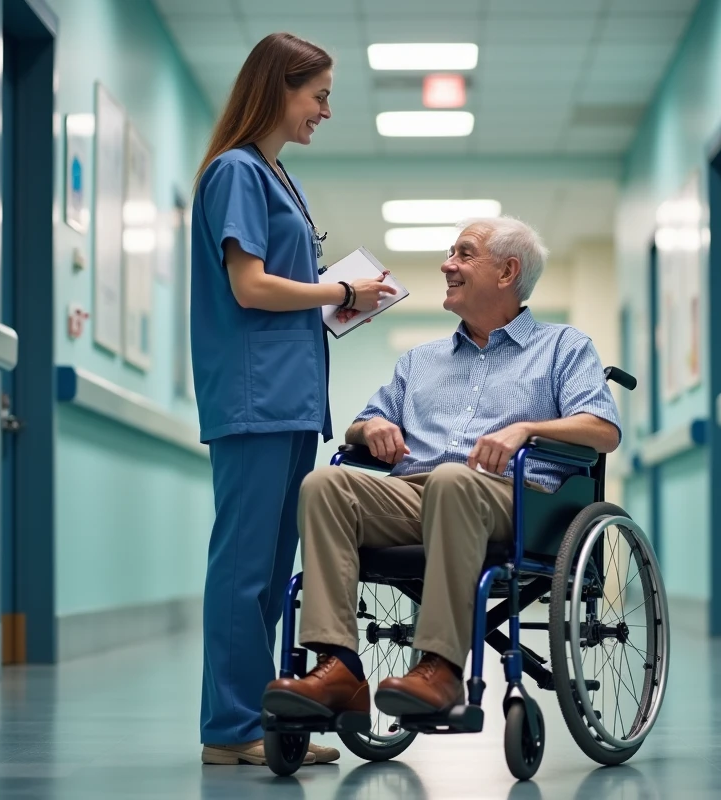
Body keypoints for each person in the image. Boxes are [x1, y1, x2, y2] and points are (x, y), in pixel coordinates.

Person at [261, 217, 621, 721]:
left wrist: (527, 429)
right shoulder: (420, 362)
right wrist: (371, 431)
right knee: (325, 484)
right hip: (414, 495)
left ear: (507, 272)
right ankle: (338, 666)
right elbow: (360, 425)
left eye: (464, 254)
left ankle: (441, 667)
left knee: (454, 481)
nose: (446, 265)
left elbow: (603, 428)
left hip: (516, 499)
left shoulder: (563, 346)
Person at [190, 32, 397, 767]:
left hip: (287, 398)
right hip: (254, 399)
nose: (326, 111)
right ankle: (229, 728)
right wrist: (342, 291)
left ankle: (257, 721)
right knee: (244, 569)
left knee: (273, 573)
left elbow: (277, 285)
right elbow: (250, 286)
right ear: (280, 88)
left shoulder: (276, 176)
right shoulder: (236, 172)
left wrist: (337, 303)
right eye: (320, 95)